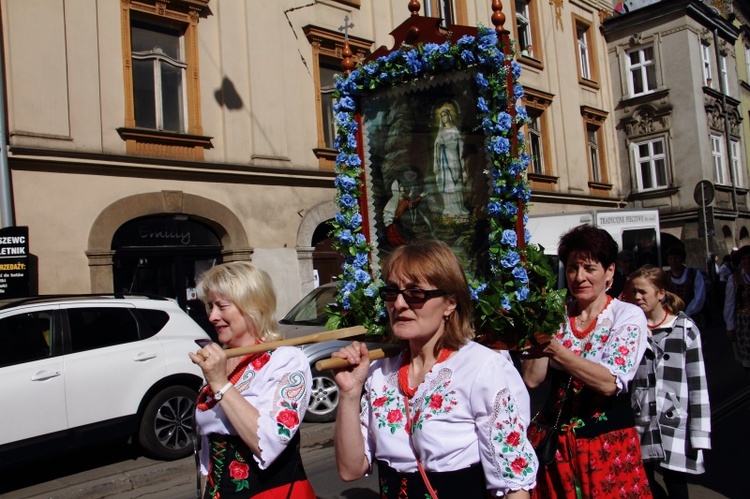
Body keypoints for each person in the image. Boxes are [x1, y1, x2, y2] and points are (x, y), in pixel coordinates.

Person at [332, 239, 537, 498]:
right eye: (392, 292)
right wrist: (349, 394)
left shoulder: (482, 369)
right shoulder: (379, 373)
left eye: (416, 293)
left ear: (450, 303)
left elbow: (514, 486)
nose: (399, 304)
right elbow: (350, 470)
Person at [521, 224, 652, 498]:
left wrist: (556, 351)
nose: (579, 277)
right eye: (572, 268)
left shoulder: (626, 315)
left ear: (610, 272)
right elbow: (532, 379)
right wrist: (537, 327)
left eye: (589, 268)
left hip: (605, 445)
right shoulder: (556, 315)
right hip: (553, 444)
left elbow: (609, 382)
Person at [189, 262, 316, 499]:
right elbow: (207, 448)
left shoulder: (284, 360)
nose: (212, 316)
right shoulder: (223, 360)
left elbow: (268, 442)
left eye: (221, 306)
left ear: (252, 308)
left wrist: (220, 383)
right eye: (210, 306)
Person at [629, 265, 711, 499]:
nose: (637, 297)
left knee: (675, 480)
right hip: (640, 418)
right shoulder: (633, 329)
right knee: (642, 481)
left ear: (661, 293)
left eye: (643, 292)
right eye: (634, 291)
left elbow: (698, 384)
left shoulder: (685, 329)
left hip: (674, 421)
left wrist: (699, 434)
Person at [433, 107, 469, 218]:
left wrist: (462, 163)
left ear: (449, 116)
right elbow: (436, 146)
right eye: (441, 116)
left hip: (454, 159)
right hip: (444, 161)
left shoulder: (454, 130)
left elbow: (460, 147)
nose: (443, 118)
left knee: (456, 183)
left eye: (445, 115)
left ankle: (458, 209)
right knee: (448, 183)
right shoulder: (441, 131)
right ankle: (449, 209)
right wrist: (439, 144)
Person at [723, 244, 750, 378]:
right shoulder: (734, 279)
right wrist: (730, 326)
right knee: (747, 358)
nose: (747, 261)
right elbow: (730, 303)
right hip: (744, 324)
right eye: (744, 259)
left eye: (749, 258)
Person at [665, 245, 706, 326]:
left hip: (694, 317)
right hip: (672, 318)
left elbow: (699, 297)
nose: (673, 262)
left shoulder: (693, 274)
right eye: (670, 259)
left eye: (676, 258)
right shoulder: (665, 277)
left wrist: (687, 313)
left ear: (682, 260)